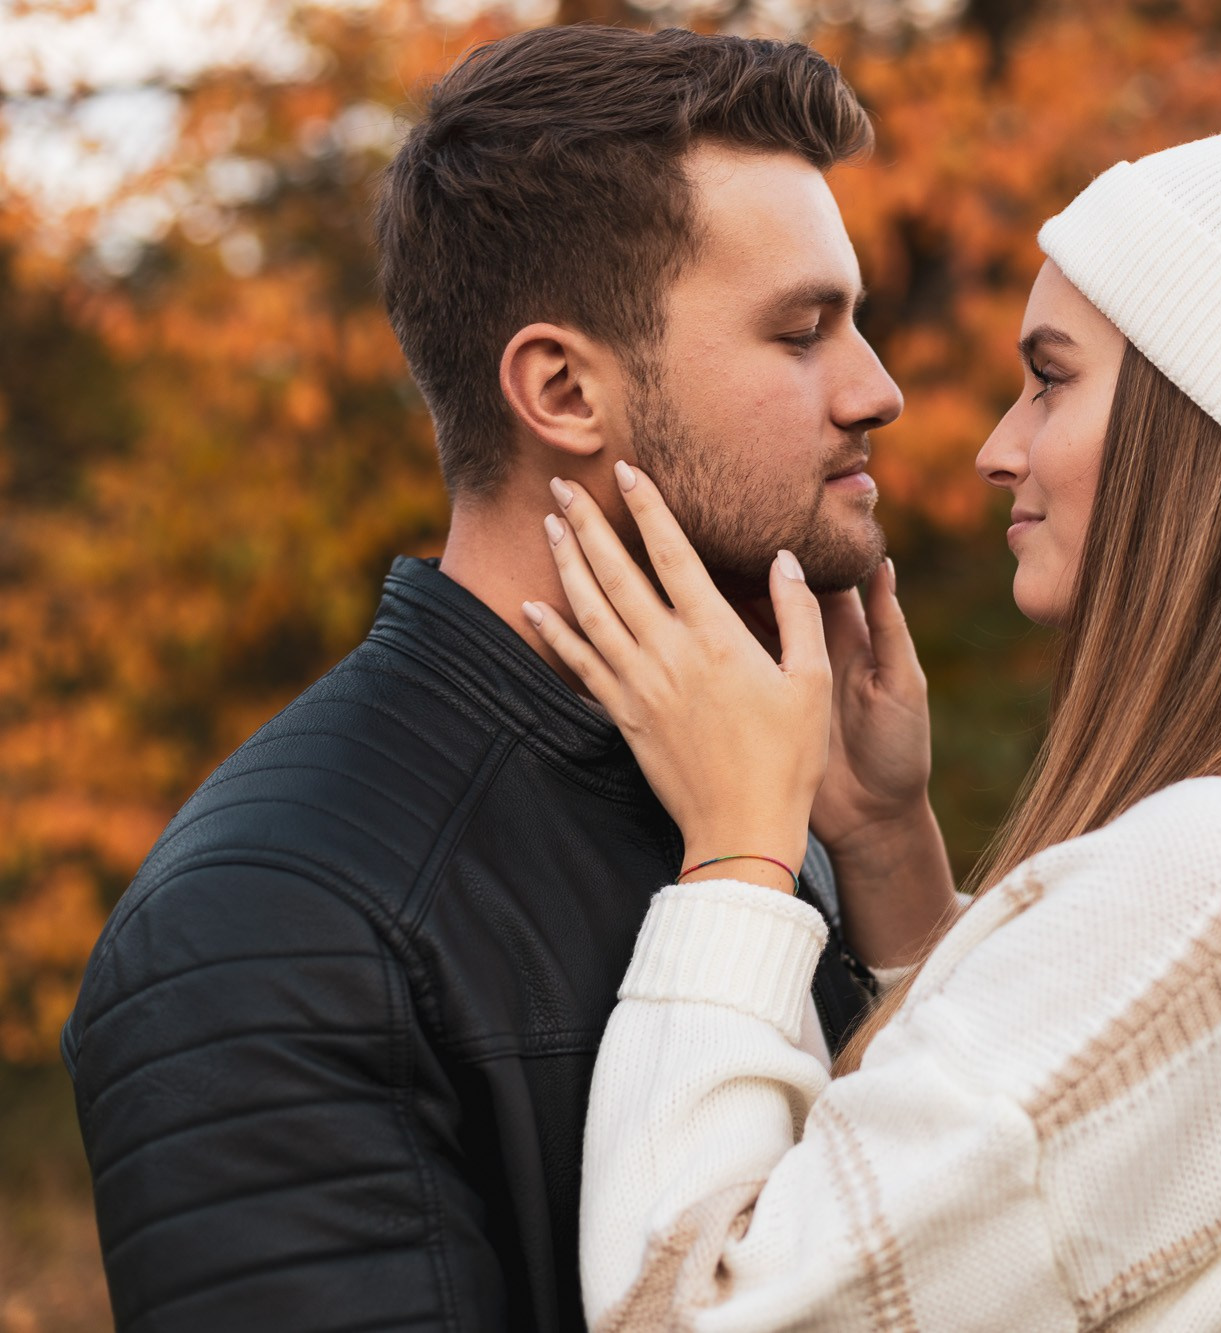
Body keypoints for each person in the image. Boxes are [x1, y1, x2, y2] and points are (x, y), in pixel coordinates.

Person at [541, 89, 1221, 1329]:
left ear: (1205, 427)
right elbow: (1066, 1160)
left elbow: (696, 1313)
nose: (998, 447)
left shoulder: (1220, 881)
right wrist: (889, 840)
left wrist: (738, 848)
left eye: (1050, 381)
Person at [59, 27, 935, 1332]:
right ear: (565, 389)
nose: (880, 390)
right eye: (804, 332)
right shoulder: (271, 924)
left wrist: (881, 855)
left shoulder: (752, 785)